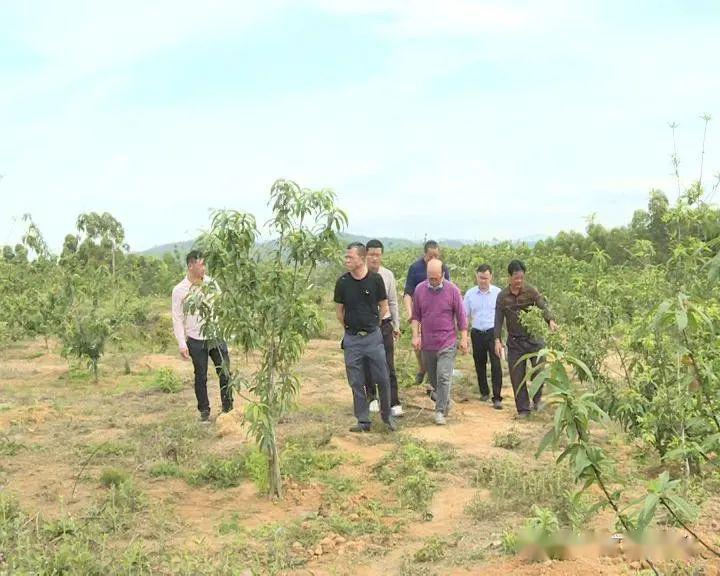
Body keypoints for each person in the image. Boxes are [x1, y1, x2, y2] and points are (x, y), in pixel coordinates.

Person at [334, 242, 396, 432]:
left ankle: (387, 417)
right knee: (356, 381)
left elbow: (384, 305)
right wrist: (349, 328)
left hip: (373, 337)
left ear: (361, 259)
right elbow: (339, 311)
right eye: (346, 257)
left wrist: (374, 326)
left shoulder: (375, 280)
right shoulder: (342, 282)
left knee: (383, 378)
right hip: (352, 339)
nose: (347, 260)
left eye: (350, 257)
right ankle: (363, 420)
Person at [172, 250, 233, 422]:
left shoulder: (211, 283)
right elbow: (177, 318)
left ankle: (228, 409)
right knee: (201, 376)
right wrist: (181, 343)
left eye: (205, 264)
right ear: (191, 266)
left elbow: (221, 307)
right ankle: (204, 412)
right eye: (201, 265)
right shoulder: (179, 290)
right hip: (196, 340)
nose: (204, 268)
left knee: (225, 372)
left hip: (216, 336)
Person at [494, 259, 558, 418]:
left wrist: (550, 320)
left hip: (534, 339)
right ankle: (523, 409)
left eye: (521, 278)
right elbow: (498, 319)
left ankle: (537, 400)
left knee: (538, 371)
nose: (519, 281)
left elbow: (543, 306)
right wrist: (497, 339)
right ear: (509, 277)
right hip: (515, 342)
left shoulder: (530, 291)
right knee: (517, 376)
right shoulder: (502, 297)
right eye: (516, 278)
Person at [411, 259, 468, 425]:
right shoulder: (420, 290)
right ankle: (446, 401)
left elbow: (461, 317)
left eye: (436, 278)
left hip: (447, 341)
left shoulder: (453, 290)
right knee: (434, 380)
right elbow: (416, 316)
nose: (433, 281)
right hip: (428, 343)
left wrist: (463, 338)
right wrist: (416, 336)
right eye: (430, 278)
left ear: (443, 274)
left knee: (444, 376)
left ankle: (440, 411)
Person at [363, 239, 403, 417]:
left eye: (377, 255)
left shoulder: (388, 275)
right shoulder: (359, 275)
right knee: (368, 363)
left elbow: (393, 301)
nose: (374, 258)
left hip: (385, 324)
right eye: (371, 254)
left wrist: (396, 325)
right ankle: (372, 397)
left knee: (388, 364)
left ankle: (394, 401)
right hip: (366, 326)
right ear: (365, 255)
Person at [403, 240, 450, 391]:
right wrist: (410, 313)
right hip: (420, 313)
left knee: (435, 347)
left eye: (437, 255)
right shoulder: (415, 268)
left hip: (437, 314)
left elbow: (449, 291)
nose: (435, 258)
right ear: (425, 254)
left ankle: (432, 379)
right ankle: (422, 368)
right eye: (431, 256)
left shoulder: (443, 268)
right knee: (418, 345)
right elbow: (408, 293)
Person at [464, 263, 503, 409]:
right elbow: (465, 316)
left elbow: (502, 315)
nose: (483, 281)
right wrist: (465, 335)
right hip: (477, 332)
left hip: (493, 333)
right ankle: (484, 392)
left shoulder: (499, 293)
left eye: (486, 278)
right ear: (476, 276)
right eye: (481, 278)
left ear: (491, 277)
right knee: (479, 363)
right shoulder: (470, 294)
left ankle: (497, 397)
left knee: (496, 364)